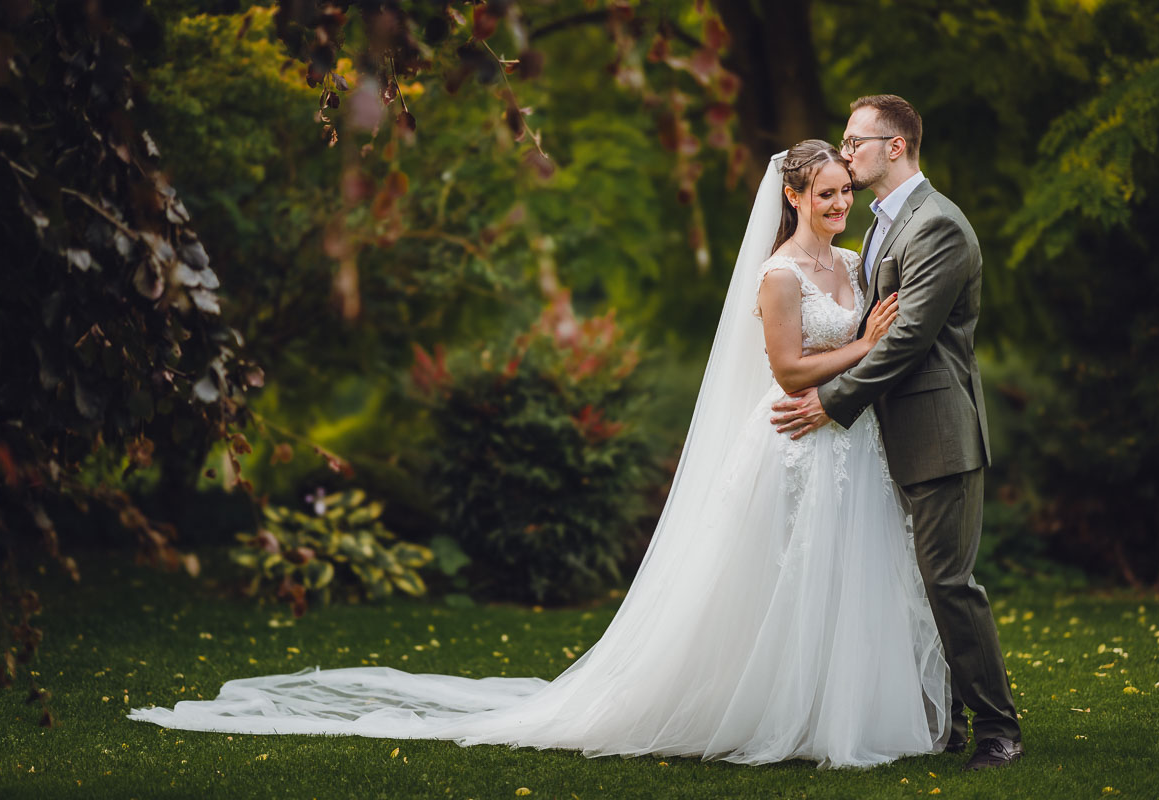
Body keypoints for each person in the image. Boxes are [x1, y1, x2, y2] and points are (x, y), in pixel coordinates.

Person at [130, 139, 950, 769]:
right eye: (828, 193)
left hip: (846, 442)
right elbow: (786, 368)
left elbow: (871, 340)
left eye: (847, 191)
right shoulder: (778, 276)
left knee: (841, 577)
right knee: (782, 582)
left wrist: (869, 343)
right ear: (795, 195)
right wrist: (861, 348)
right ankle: (771, 712)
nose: (841, 204)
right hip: (793, 441)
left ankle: (838, 713)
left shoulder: (850, 264)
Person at [770, 95, 1024, 771]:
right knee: (915, 585)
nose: (846, 152)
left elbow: (908, 339)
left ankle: (998, 729)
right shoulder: (884, 222)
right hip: (890, 437)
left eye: (856, 142)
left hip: (938, 433)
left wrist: (832, 402)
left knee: (947, 582)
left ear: (896, 146)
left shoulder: (936, 225)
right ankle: (945, 721)